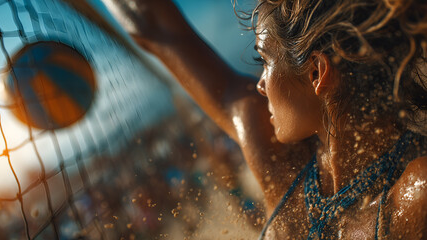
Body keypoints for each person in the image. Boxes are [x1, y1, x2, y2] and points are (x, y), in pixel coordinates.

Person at [105, 0, 427, 239]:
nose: (260, 84)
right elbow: (150, 22)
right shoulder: (277, 158)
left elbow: (155, 27)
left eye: (265, 60)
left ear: (316, 72)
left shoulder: (414, 194)